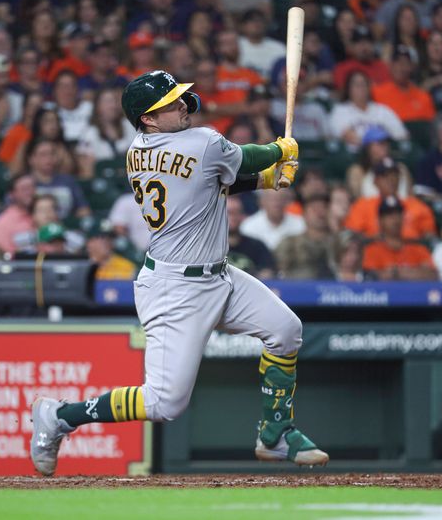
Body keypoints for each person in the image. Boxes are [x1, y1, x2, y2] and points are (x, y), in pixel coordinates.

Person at [30, 70, 328, 477]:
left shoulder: (139, 148)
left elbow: (206, 184)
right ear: (148, 119)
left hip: (218, 275)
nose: (181, 104)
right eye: (168, 103)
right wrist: (280, 151)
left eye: (179, 97)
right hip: (176, 287)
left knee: (285, 328)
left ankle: (274, 434)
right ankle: (60, 415)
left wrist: (266, 180)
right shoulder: (201, 141)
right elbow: (242, 158)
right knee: (164, 403)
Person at [345, 157, 436, 241]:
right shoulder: (362, 206)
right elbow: (352, 236)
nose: (391, 179)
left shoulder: (418, 206)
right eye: (385, 176)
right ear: (375, 181)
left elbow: (429, 238)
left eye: (394, 175)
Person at [362, 195, 437, 280]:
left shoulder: (417, 248)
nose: (395, 219)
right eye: (389, 215)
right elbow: (370, 277)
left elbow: (433, 275)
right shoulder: (371, 251)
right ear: (380, 220)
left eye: (398, 214)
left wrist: (398, 273)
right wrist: (411, 272)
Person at [329, 71, 408, 150]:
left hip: (383, 155)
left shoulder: (382, 110)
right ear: (348, 89)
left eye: (364, 84)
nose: (361, 88)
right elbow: (347, 135)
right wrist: (375, 146)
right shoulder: (340, 110)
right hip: (355, 156)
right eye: (357, 85)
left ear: (369, 87)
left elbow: (402, 135)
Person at [27, 138, 90, 220]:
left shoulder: (68, 181)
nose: (49, 158)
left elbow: (84, 209)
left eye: (52, 154)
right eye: (43, 154)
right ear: (32, 159)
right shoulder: (25, 183)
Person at [275, 194, 334, 279]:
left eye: (324, 208)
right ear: (304, 214)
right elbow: (278, 272)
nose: (320, 213)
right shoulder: (290, 243)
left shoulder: (339, 242)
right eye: (314, 209)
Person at [372, 45, 436, 122]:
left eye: (405, 63)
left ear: (411, 67)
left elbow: (430, 126)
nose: (401, 67)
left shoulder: (423, 97)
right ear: (390, 65)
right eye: (397, 63)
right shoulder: (376, 93)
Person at [240, 188, 306, 251]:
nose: (276, 203)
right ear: (262, 201)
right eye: (271, 199)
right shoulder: (249, 225)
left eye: (281, 198)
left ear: (287, 201)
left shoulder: (300, 223)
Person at [226, 195, 275, 279]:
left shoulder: (257, 246)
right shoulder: (209, 247)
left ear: (243, 216)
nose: (232, 217)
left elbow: (267, 273)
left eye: (237, 212)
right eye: (229, 213)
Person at [332, 26, 392, 91]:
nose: (364, 46)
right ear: (351, 47)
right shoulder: (342, 68)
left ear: (373, 46)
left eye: (368, 42)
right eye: (359, 43)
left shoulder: (382, 67)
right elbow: (342, 94)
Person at [237, 9, 286, 82]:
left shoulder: (279, 47)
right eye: (252, 21)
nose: (256, 24)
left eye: (260, 20)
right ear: (243, 26)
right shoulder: (236, 45)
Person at [0, 173, 36, 255]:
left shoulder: (44, 212)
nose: (30, 192)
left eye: (32, 187)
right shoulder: (4, 222)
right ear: (12, 194)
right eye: (24, 189)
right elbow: (6, 255)